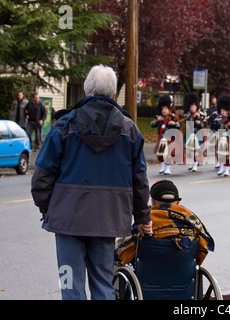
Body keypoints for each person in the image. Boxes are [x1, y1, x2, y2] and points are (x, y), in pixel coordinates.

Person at [31, 65, 152, 300]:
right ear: (114, 94)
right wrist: (143, 217)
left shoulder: (63, 127)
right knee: (104, 284)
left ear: (86, 91)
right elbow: (139, 180)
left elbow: (41, 179)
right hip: (107, 222)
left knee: (70, 287)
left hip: (67, 222)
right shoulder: (130, 130)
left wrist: (49, 209)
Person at [114, 180, 214, 267]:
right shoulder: (192, 220)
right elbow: (202, 250)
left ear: (152, 202)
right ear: (177, 203)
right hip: (183, 277)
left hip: (147, 277)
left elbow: (121, 251)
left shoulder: (146, 221)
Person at [151, 95, 181, 175]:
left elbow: (179, 125)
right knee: (159, 153)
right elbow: (152, 125)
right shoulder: (159, 118)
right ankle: (163, 165)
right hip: (161, 137)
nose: (164, 110)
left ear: (169, 109)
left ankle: (168, 167)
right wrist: (157, 121)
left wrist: (174, 123)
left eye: (165, 109)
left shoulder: (173, 117)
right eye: (162, 109)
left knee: (169, 154)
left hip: (170, 138)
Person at [184, 92, 205, 172]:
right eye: (191, 106)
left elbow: (204, 124)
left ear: (196, 107)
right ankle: (191, 162)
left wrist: (200, 123)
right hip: (190, 134)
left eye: (193, 106)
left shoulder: (200, 115)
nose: (192, 108)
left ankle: (195, 164)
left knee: (197, 150)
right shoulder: (188, 115)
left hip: (198, 134)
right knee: (189, 150)